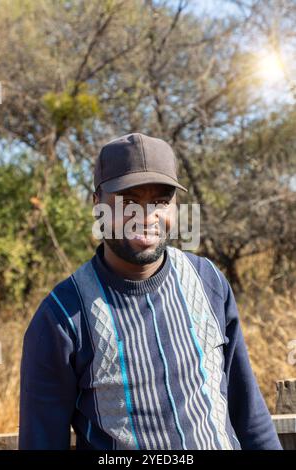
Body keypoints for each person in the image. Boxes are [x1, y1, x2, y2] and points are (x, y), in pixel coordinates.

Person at [19, 133, 282, 450]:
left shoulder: (208, 282)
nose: (146, 217)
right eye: (127, 201)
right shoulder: (61, 318)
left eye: (160, 201)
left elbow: (248, 412)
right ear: (97, 204)